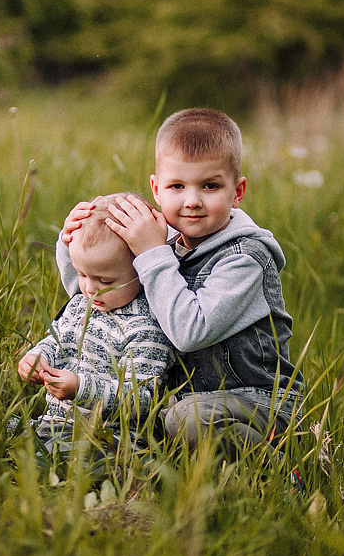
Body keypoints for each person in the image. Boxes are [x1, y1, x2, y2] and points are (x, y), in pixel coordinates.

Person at [58, 108, 303, 458]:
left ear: (237, 192)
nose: (192, 201)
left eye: (211, 186)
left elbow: (190, 333)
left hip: (257, 402)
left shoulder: (245, 258)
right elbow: (98, 298)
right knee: (127, 418)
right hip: (180, 401)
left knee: (185, 421)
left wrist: (152, 254)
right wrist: (71, 241)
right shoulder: (159, 242)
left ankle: (281, 469)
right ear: (157, 189)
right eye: (177, 186)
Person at [17, 195, 173, 460]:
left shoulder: (146, 328)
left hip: (111, 436)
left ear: (141, 271)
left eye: (104, 279)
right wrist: (37, 357)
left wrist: (81, 388)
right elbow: (59, 339)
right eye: (81, 274)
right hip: (58, 423)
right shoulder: (82, 304)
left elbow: (141, 399)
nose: (89, 288)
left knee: (44, 458)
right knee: (5, 446)